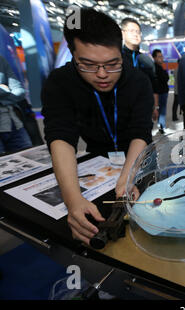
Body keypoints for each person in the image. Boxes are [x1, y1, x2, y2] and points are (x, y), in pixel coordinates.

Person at [41, 8, 154, 245]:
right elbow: (61, 136)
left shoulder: (139, 81)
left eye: (112, 64)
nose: (102, 74)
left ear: (121, 54)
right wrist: (73, 201)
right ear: (73, 55)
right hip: (97, 157)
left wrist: (129, 174)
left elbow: (140, 132)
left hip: (137, 156)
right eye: (88, 65)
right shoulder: (60, 82)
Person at [121, 18, 158, 126]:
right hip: (123, 113)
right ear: (122, 33)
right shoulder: (116, 59)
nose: (136, 35)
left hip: (144, 113)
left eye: (138, 32)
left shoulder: (147, 61)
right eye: (131, 31)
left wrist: (155, 107)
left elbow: (153, 86)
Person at [0, 55, 32, 154]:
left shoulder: (1, 60)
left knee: (30, 160)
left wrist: (2, 101)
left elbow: (20, 92)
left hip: (13, 124)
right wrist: (5, 89)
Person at [152, 49, 169, 134]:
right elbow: (165, 78)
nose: (161, 58)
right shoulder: (155, 68)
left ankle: (161, 125)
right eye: (159, 57)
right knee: (161, 110)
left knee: (161, 110)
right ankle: (162, 126)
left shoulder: (159, 67)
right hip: (160, 93)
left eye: (162, 56)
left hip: (161, 92)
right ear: (154, 58)